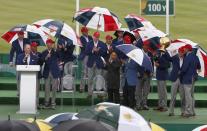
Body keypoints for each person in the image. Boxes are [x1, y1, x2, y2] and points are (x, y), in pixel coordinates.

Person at [180, 44, 201, 117]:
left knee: (188, 95)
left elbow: (184, 69)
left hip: (187, 78)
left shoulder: (188, 57)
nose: (184, 49)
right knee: (191, 95)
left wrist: (180, 73)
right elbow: (199, 67)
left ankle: (188, 112)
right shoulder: (195, 57)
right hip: (193, 78)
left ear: (187, 49)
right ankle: (192, 111)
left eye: (185, 48)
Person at [85, 31, 107, 98]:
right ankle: (90, 93)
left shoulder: (102, 44)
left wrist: (98, 51)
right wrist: (92, 50)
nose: (96, 38)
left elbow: (104, 52)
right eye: (95, 37)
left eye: (97, 37)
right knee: (90, 79)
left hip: (98, 63)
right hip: (91, 63)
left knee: (99, 78)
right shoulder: (89, 43)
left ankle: (98, 93)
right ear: (93, 36)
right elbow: (86, 52)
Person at [41, 39, 61, 109]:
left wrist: (56, 49)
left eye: (52, 43)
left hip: (54, 72)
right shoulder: (44, 52)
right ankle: (46, 102)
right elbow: (41, 61)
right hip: (47, 72)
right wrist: (46, 57)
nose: (51, 44)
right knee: (47, 88)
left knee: (54, 88)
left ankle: (53, 103)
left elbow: (60, 57)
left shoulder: (55, 51)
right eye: (50, 43)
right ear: (47, 44)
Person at [9, 31, 29, 96]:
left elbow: (30, 49)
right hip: (18, 62)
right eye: (20, 35)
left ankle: (26, 90)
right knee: (18, 77)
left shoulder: (27, 40)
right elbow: (12, 52)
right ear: (18, 35)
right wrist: (11, 61)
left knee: (26, 76)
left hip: (27, 61)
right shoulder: (14, 42)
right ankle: (19, 91)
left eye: (22, 35)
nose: (22, 36)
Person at [168, 47, 185, 116]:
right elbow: (168, 58)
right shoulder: (174, 57)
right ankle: (171, 111)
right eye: (179, 52)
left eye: (181, 52)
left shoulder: (186, 59)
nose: (180, 53)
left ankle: (183, 111)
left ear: (183, 52)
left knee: (182, 97)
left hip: (182, 79)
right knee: (173, 96)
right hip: (175, 79)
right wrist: (171, 51)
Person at [136, 42, 153, 111]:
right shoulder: (139, 53)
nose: (147, 47)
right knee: (138, 90)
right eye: (145, 46)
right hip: (140, 74)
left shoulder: (150, 54)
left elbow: (151, 63)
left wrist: (151, 71)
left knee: (146, 91)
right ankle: (138, 105)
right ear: (143, 46)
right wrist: (137, 72)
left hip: (147, 74)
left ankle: (144, 104)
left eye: (147, 46)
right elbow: (136, 63)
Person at [79, 27, 93, 93]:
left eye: (87, 31)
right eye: (85, 31)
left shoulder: (90, 37)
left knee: (90, 72)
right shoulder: (81, 39)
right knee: (84, 72)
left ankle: (89, 88)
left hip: (90, 56)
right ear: (83, 32)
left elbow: (93, 44)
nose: (87, 32)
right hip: (85, 56)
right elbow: (84, 47)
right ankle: (82, 87)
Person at [30, 42, 43, 107]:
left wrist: (37, 58)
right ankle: (30, 102)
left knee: (37, 89)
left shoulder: (39, 54)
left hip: (37, 74)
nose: (35, 48)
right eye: (34, 46)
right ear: (31, 47)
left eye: (36, 47)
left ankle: (36, 103)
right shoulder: (28, 54)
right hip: (29, 75)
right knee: (30, 89)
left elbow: (41, 63)